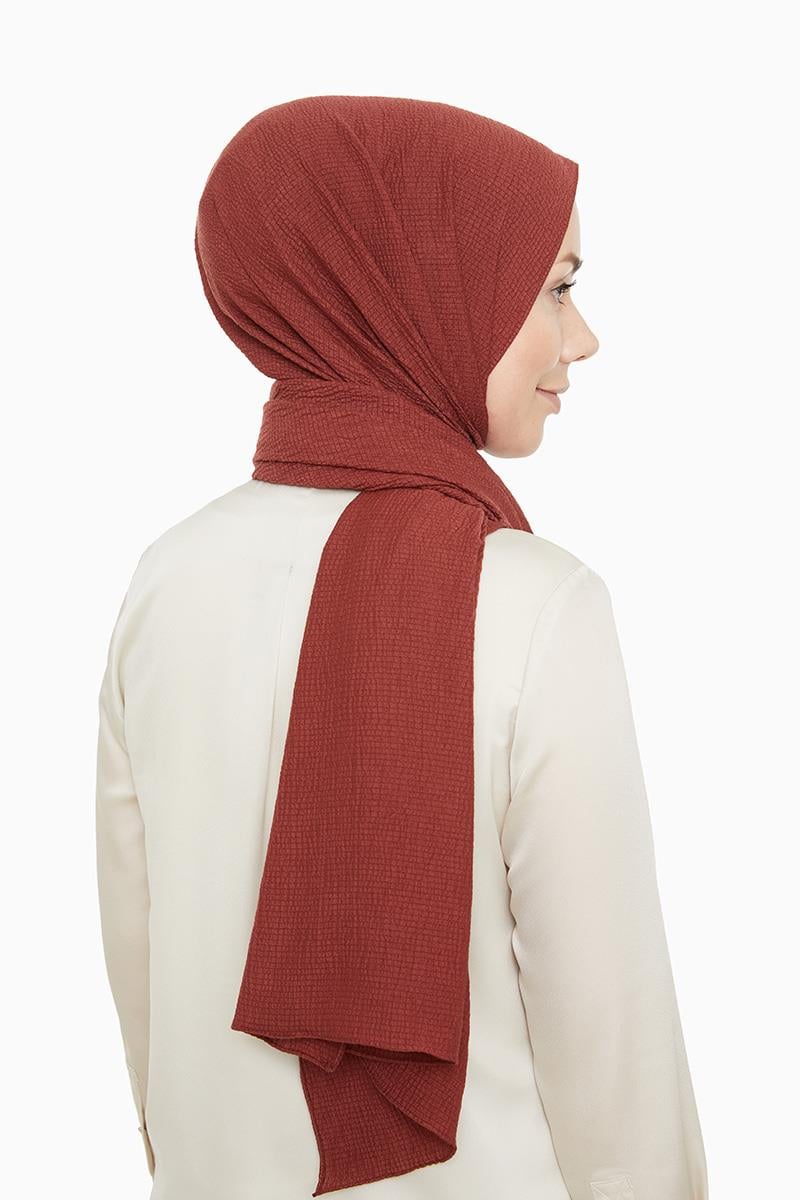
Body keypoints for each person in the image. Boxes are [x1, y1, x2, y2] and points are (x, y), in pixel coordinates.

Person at [95, 96, 708, 1200]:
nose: (582, 338)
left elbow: (146, 982)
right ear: (428, 284)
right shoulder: (537, 607)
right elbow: (613, 1064)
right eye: (555, 287)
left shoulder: (165, 582)